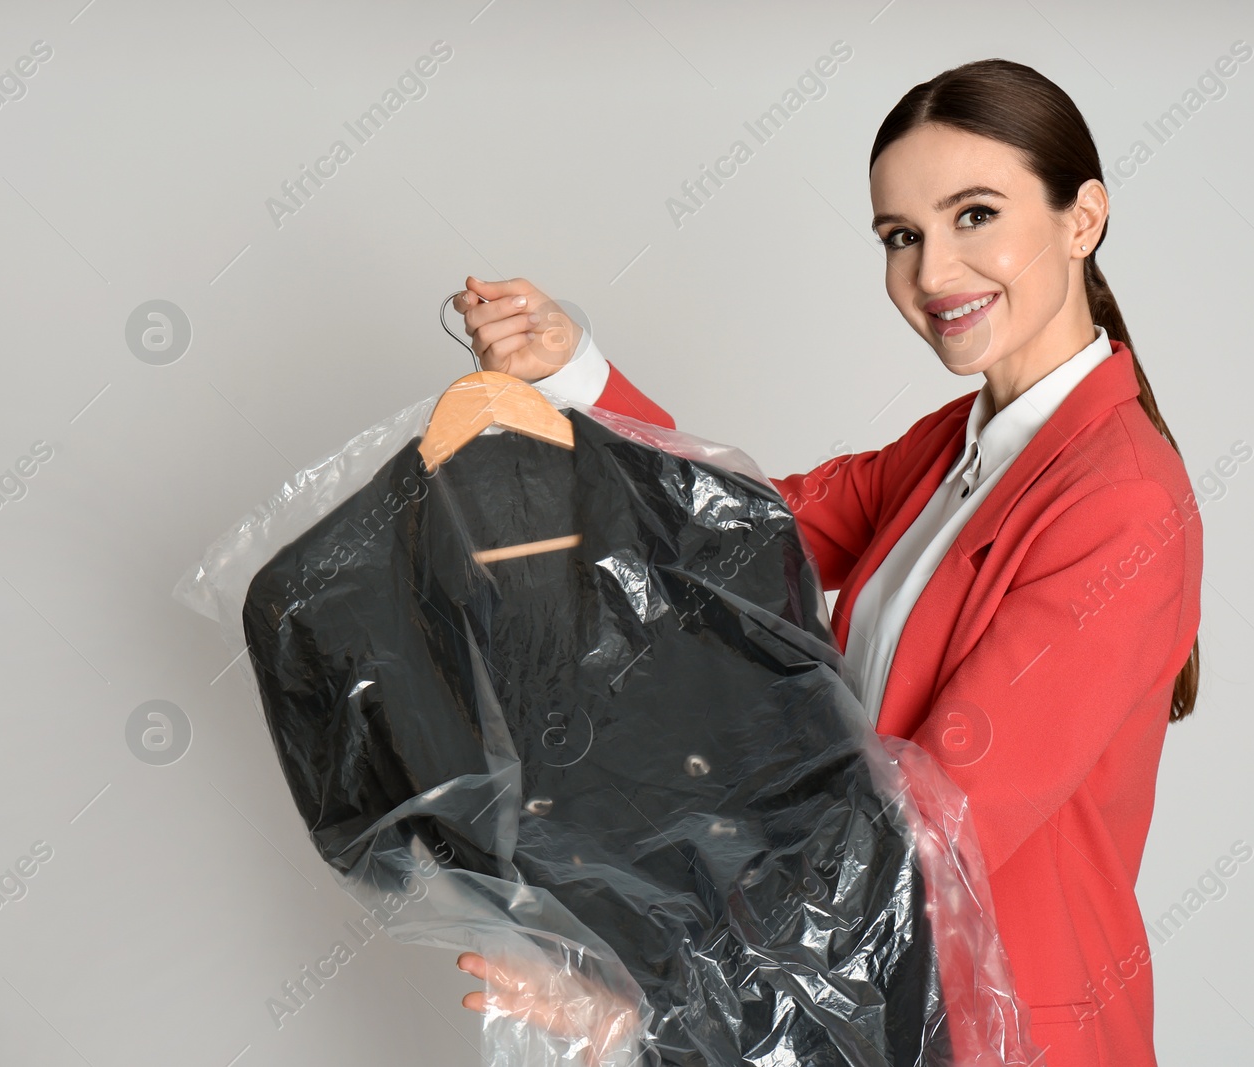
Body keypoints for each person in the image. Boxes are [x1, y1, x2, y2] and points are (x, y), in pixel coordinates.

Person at [448, 58, 1203, 1067]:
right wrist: (573, 372)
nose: (933, 272)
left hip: (1003, 1031)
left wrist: (656, 999)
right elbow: (738, 539)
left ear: (1082, 217)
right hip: (867, 1004)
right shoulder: (960, 441)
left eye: (974, 214)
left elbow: (934, 831)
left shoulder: (1121, 501)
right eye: (903, 236)